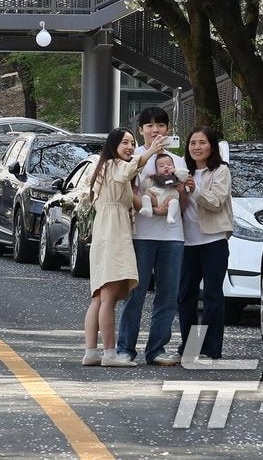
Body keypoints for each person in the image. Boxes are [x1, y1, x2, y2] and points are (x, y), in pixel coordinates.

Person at [115, 106, 187, 366]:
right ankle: (125, 348)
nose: (155, 130)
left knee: (168, 295)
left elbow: (183, 199)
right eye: (150, 126)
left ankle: (156, 350)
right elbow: (129, 192)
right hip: (141, 234)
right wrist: (154, 209)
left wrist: (182, 192)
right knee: (134, 293)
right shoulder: (134, 158)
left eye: (161, 125)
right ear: (141, 130)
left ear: (168, 129)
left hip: (173, 235)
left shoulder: (178, 161)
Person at [84, 127, 141, 367]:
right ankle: (109, 353)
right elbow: (126, 172)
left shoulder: (104, 167)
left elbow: (133, 202)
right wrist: (149, 153)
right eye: (125, 142)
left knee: (98, 297)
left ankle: (91, 352)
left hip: (104, 235)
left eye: (133, 143)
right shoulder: (115, 165)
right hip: (114, 235)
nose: (130, 147)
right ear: (113, 145)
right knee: (107, 298)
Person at [177, 127, 233, 363]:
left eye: (202, 142)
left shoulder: (221, 170)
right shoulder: (182, 171)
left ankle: (211, 347)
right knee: (185, 295)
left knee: (212, 294)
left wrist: (194, 189)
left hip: (213, 240)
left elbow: (216, 202)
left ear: (212, 146)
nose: (197, 147)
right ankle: (189, 345)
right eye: (193, 143)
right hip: (186, 241)